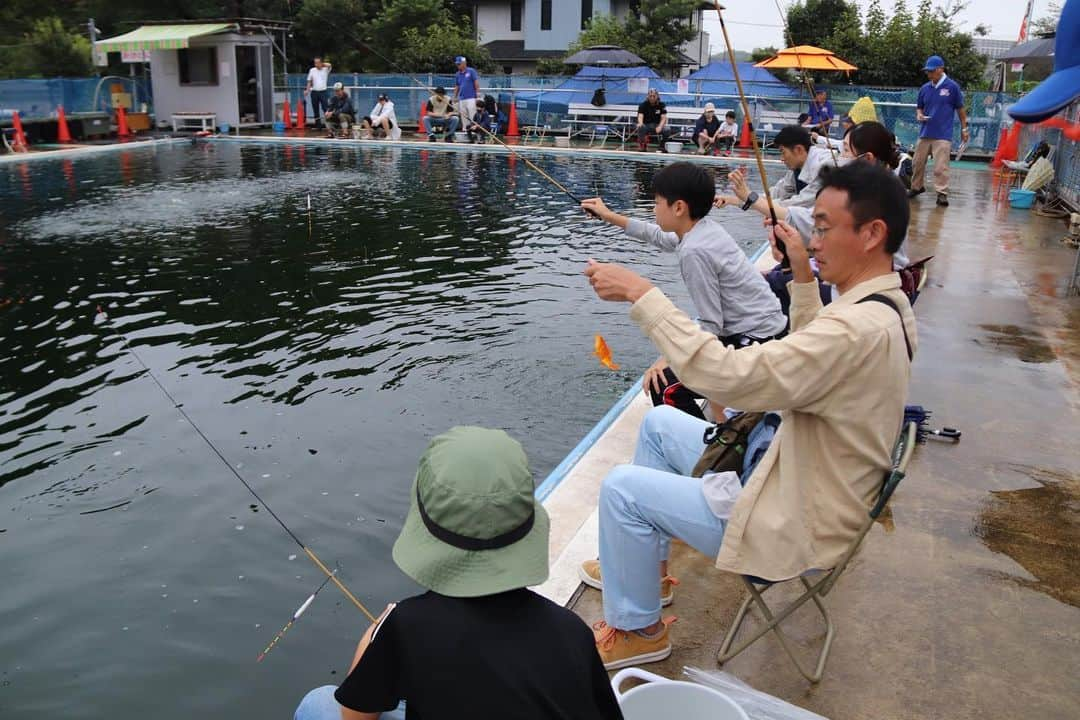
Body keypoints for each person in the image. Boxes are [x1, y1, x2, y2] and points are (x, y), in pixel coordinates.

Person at [579, 160, 916, 670]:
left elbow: (727, 376)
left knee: (622, 488)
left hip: (794, 514)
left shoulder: (857, 331)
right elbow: (813, 344)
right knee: (658, 424)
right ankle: (649, 573)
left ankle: (639, 629)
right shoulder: (876, 309)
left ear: (872, 234)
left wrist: (641, 295)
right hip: (790, 465)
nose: (813, 238)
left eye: (821, 228)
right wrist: (803, 273)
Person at [292, 427, 623, 720]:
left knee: (317, 704)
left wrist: (373, 637)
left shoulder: (406, 625)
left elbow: (355, 716)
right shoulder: (570, 631)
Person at [581, 163, 786, 421]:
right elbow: (656, 235)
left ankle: (715, 449)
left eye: (657, 203)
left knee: (663, 386)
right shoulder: (704, 229)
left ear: (678, 207)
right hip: (769, 333)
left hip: (753, 344)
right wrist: (608, 216)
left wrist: (666, 359)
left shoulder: (694, 251)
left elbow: (712, 325)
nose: (654, 209)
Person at [909, 55, 968, 207]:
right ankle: (916, 187)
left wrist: (964, 128)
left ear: (941, 69)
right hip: (925, 131)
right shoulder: (925, 88)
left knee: (940, 167)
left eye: (932, 71)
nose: (929, 74)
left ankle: (942, 193)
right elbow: (919, 107)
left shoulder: (952, 87)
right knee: (917, 162)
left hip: (943, 133)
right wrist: (919, 114)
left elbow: (960, 109)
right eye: (927, 72)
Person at [764, 125, 834, 207]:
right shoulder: (797, 166)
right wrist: (749, 197)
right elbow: (780, 191)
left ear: (798, 149)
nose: (782, 159)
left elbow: (803, 202)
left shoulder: (823, 166)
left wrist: (760, 204)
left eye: (783, 152)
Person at [452, 56, 481, 131]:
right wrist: (455, 96)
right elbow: (457, 86)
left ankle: (474, 130)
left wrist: (478, 94)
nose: (458, 65)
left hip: (471, 97)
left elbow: (476, 82)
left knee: (472, 115)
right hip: (462, 98)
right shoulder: (457, 74)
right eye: (457, 64)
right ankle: (465, 130)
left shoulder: (471, 71)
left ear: (464, 63)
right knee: (463, 116)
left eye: (459, 64)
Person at [305, 57, 332, 129]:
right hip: (314, 92)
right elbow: (309, 81)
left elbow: (329, 65)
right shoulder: (312, 70)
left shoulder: (325, 70)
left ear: (321, 63)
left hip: (323, 91)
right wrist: (307, 90)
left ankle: (328, 125)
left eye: (317, 62)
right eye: (315, 63)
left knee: (325, 108)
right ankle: (318, 125)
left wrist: (322, 65)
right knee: (315, 109)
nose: (316, 64)